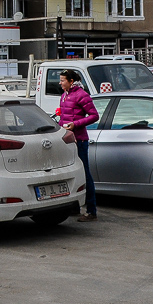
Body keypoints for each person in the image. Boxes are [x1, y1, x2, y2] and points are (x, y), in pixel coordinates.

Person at [56, 69, 99, 222]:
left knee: (85, 173)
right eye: (60, 80)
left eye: (62, 80)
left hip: (79, 140)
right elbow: (63, 117)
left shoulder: (81, 95)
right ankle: (74, 206)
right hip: (67, 139)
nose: (60, 83)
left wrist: (76, 124)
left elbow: (94, 115)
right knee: (70, 174)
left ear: (71, 81)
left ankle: (91, 210)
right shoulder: (64, 95)